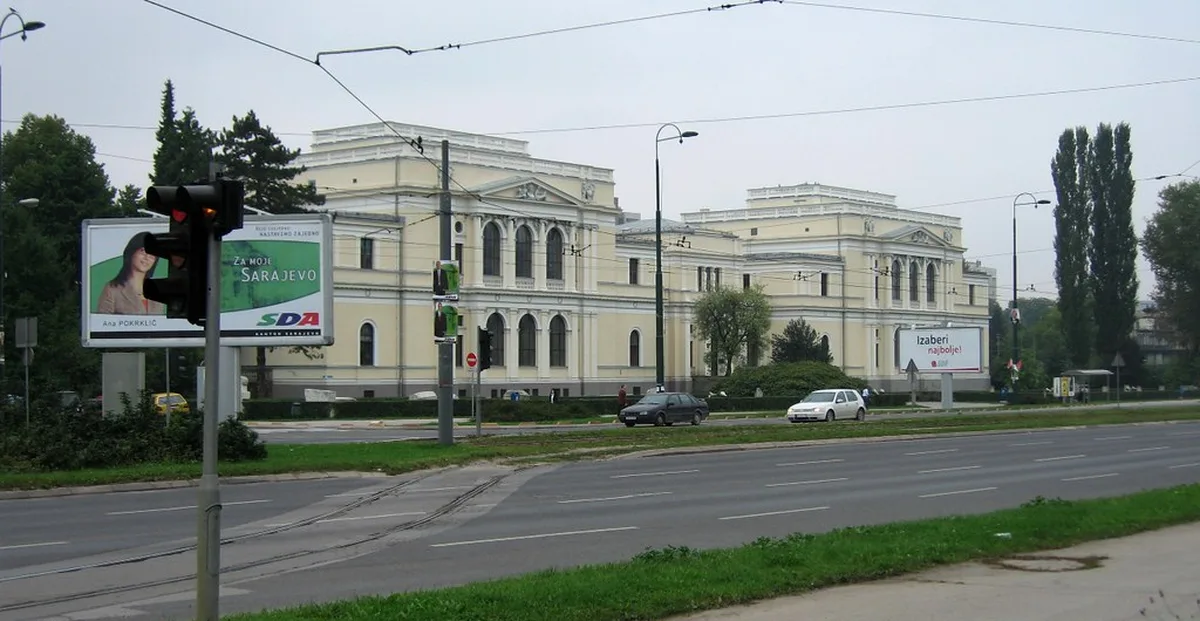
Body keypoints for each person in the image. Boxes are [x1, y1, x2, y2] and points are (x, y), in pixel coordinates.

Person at [95, 232, 165, 316]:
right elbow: (102, 324)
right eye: (143, 251)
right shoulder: (112, 289)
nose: (147, 258)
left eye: (152, 255)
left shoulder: (156, 291)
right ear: (131, 252)